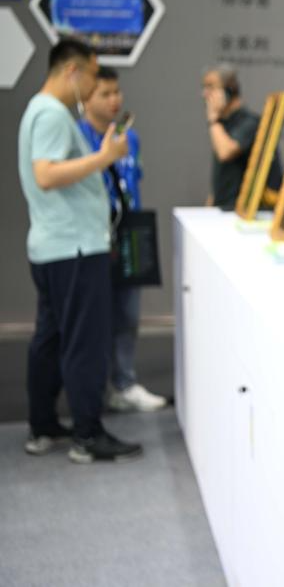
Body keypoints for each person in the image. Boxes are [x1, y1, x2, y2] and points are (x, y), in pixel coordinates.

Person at [17, 38, 143, 463]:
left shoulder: (39, 110)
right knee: (84, 342)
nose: (93, 86)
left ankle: (44, 426)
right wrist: (105, 157)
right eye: (91, 75)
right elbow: (47, 175)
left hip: (56, 245)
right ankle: (87, 435)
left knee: (51, 338)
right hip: (73, 247)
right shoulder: (52, 114)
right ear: (72, 71)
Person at [78, 66, 167, 412]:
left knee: (128, 313)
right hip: (92, 236)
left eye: (117, 92)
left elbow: (134, 177)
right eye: (105, 94)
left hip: (129, 234)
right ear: (86, 99)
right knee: (93, 318)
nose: (114, 99)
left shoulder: (131, 138)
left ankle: (124, 383)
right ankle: (91, 390)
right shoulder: (77, 137)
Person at [201, 64, 282, 210]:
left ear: (230, 89)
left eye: (211, 87)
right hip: (222, 210)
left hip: (241, 213)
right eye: (204, 87)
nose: (205, 94)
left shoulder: (249, 122)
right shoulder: (223, 124)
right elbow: (222, 173)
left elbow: (225, 152)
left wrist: (213, 119)